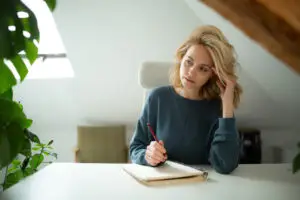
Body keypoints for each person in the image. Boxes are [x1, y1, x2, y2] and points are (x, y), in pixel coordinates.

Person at [129, 25, 243, 174]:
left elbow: (225, 165)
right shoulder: (157, 98)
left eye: (203, 69)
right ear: (181, 58)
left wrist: (227, 105)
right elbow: (135, 148)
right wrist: (147, 155)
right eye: (189, 62)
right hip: (163, 185)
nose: (191, 73)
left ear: (213, 75)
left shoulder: (218, 107)